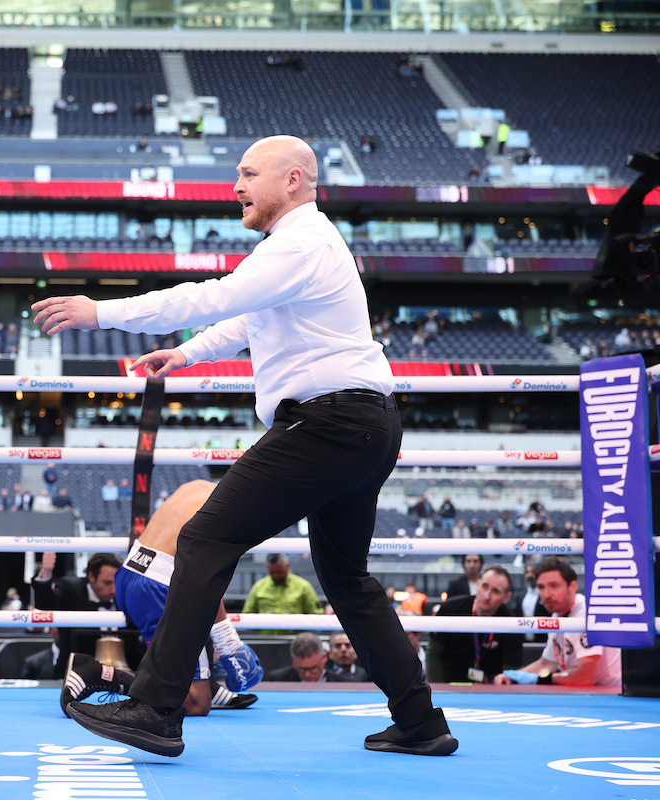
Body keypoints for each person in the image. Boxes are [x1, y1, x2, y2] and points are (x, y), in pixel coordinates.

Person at [33, 134, 456, 757]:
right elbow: (243, 319)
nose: (236, 185)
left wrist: (101, 312)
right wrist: (187, 351)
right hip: (362, 425)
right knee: (347, 577)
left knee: (205, 539)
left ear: (292, 180)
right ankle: (421, 722)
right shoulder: (300, 248)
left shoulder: (301, 241)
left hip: (328, 423)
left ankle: (156, 706)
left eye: (247, 173)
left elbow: (215, 297)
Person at [66, 479, 261, 719]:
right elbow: (208, 577)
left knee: (175, 661)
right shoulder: (238, 508)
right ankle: (99, 674)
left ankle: (205, 684)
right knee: (198, 704)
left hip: (130, 574)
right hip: (160, 587)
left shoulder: (197, 485)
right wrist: (229, 643)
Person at [494, 557, 621, 687]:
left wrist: (542, 679)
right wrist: (514, 676)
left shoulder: (585, 615)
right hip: (588, 694)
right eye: (541, 587)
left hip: (611, 695)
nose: (546, 594)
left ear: (572, 587)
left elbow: (585, 676)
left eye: (554, 586)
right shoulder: (557, 616)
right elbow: (547, 664)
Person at [32, 551, 143, 677]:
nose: (113, 590)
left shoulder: (125, 597)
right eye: (106, 583)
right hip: (75, 677)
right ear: (91, 576)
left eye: (116, 583)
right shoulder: (71, 589)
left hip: (121, 678)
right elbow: (45, 604)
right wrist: (46, 573)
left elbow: (135, 645)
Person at [428, 565, 522, 683]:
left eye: (495, 591)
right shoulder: (450, 609)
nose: (487, 596)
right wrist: (439, 690)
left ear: (506, 597)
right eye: (484, 586)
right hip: (450, 685)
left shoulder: (511, 625)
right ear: (478, 584)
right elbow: (433, 653)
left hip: (491, 690)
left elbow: (510, 671)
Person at [241, 553, 322, 634]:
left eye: (279, 571)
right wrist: (262, 619)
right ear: (267, 568)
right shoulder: (258, 587)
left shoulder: (303, 586)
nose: (276, 575)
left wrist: (295, 620)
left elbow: (318, 615)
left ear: (287, 566)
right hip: (265, 640)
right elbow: (246, 616)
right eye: (272, 572)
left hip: (294, 641)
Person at [264, 633, 350, 682]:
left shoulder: (343, 683)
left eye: (313, 668)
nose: (307, 674)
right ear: (294, 662)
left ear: (324, 658)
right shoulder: (278, 680)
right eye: (301, 669)